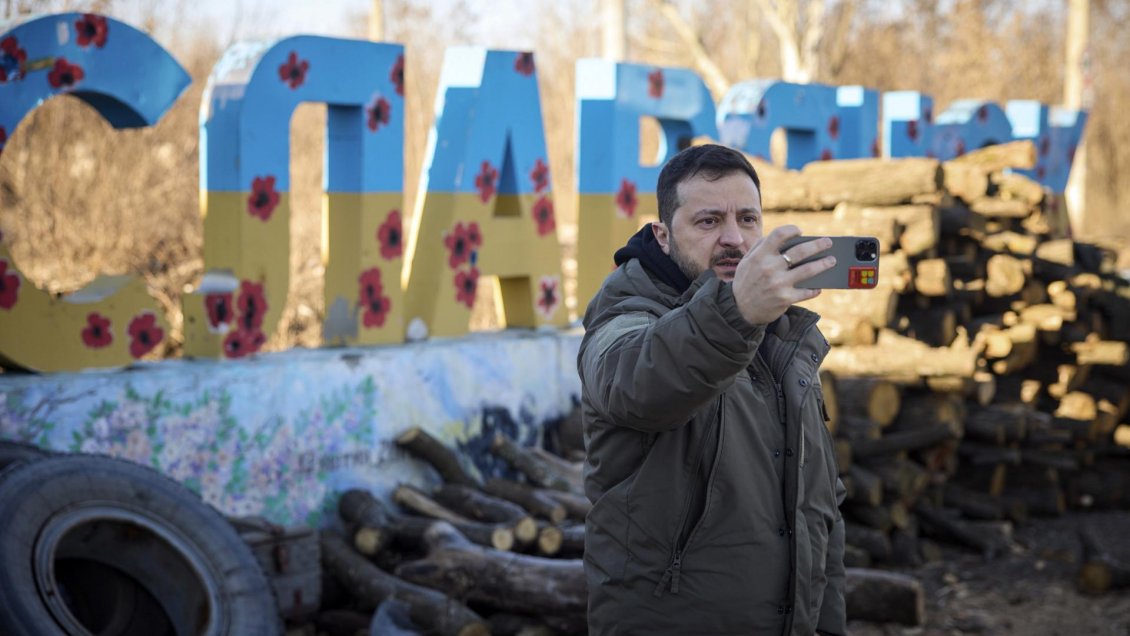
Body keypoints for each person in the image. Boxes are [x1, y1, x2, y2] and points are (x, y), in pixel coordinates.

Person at [578, 143, 847, 635]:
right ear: (662, 235)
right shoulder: (623, 318)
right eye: (708, 222)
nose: (734, 239)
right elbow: (635, 381)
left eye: (748, 219)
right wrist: (738, 312)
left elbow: (819, 509)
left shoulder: (784, 337)